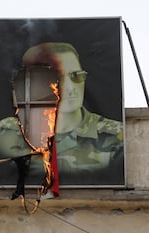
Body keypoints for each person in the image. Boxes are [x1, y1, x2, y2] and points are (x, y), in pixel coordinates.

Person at [22, 42, 124, 185]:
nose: (71, 88)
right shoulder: (10, 136)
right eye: (58, 78)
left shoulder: (116, 136)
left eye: (76, 76)